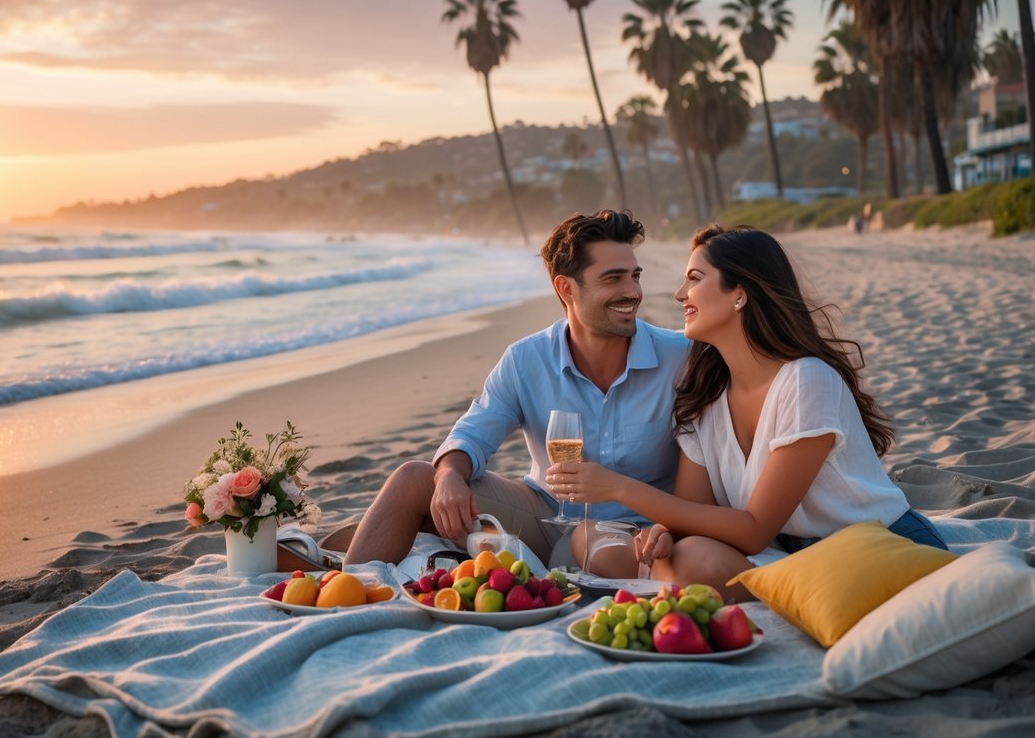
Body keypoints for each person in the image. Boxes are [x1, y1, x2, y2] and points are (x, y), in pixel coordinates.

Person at [552, 224, 947, 600]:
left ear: (739, 293)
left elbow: (755, 530)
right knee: (590, 537)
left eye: (694, 278)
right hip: (790, 555)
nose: (679, 294)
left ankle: (684, 580)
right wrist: (666, 531)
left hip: (878, 549)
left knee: (695, 562)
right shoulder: (705, 396)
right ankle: (683, 578)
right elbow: (693, 512)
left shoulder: (806, 380)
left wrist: (619, 488)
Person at [342, 209, 689, 567]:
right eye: (614, 279)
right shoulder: (526, 359)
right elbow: (475, 431)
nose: (632, 291)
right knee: (414, 479)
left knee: (601, 553)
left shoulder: (680, 358)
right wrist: (448, 475)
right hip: (546, 515)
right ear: (565, 288)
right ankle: (347, 594)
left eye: (634, 276)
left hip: (640, 534)